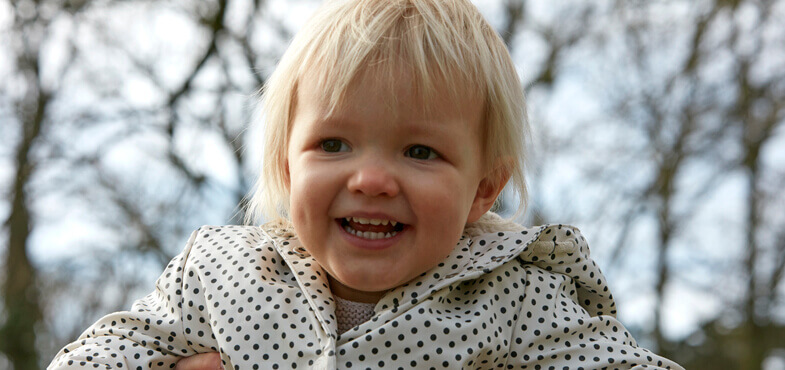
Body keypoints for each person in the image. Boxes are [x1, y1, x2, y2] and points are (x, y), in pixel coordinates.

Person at [49, 0, 683, 369]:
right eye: (333, 144)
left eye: (420, 151)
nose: (372, 179)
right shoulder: (219, 270)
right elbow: (116, 348)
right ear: (287, 165)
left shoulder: (515, 294)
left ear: (485, 189)